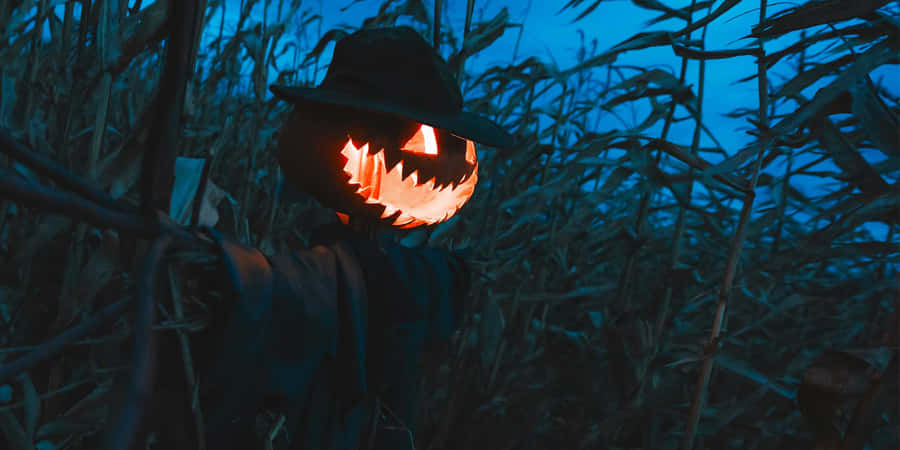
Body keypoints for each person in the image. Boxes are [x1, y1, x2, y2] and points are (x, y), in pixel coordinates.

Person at [150, 26, 513, 450]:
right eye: (421, 133)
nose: (434, 155)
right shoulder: (397, 281)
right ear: (328, 124)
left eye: (449, 138)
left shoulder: (402, 280)